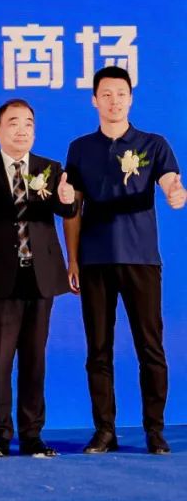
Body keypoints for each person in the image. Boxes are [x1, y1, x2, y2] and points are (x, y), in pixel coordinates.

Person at [64, 66, 186, 455]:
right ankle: (105, 431)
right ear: (94, 100)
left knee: (150, 346)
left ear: (131, 99)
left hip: (141, 259)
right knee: (98, 350)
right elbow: (72, 208)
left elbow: (170, 181)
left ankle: (155, 430)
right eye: (106, 94)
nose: (114, 101)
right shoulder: (80, 148)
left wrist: (176, 191)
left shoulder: (153, 144)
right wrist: (72, 259)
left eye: (121, 94)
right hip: (95, 261)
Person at [0, 99, 76, 457]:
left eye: (28, 123)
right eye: (13, 123)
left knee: (35, 359)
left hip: (41, 276)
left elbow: (65, 209)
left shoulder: (50, 169)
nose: (22, 130)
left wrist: (68, 199)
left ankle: (32, 434)